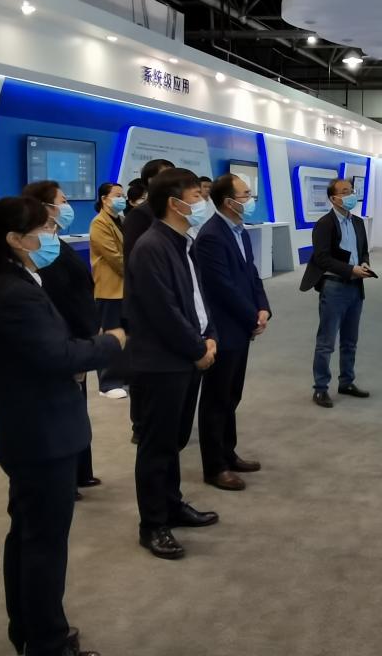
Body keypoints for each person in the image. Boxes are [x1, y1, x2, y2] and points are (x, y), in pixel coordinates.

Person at [0, 196, 123, 656]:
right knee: (43, 545)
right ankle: (47, 642)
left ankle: (30, 631)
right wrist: (110, 343)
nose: (54, 235)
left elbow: (39, 350)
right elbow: (57, 355)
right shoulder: (12, 291)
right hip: (40, 435)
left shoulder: (11, 280)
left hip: (32, 429)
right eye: (46, 228)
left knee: (29, 536)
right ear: (16, 238)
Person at [126, 168, 219, 559]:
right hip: (161, 363)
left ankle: (172, 504)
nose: (203, 202)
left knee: (173, 440)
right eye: (196, 196)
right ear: (174, 204)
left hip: (184, 357)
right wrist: (197, 349)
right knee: (156, 445)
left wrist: (209, 334)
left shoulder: (182, 241)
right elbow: (163, 311)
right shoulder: (151, 247)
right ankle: (153, 524)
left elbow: (196, 298)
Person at [22, 180, 102, 495]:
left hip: (78, 337)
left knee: (76, 410)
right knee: (62, 414)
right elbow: (58, 299)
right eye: (62, 200)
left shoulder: (56, 242)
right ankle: (67, 478)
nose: (67, 206)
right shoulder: (40, 252)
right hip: (64, 341)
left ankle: (81, 472)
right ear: (44, 207)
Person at [193, 175, 271, 491]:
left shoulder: (239, 231)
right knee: (216, 398)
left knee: (231, 395)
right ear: (229, 202)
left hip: (241, 326)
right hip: (224, 328)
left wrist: (263, 307)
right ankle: (215, 466)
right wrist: (252, 316)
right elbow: (221, 287)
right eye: (246, 195)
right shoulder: (211, 236)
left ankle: (228, 452)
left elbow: (251, 274)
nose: (251, 200)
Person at [299, 178, 376, 408]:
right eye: (344, 192)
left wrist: (364, 263)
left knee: (350, 340)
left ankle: (347, 382)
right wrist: (349, 270)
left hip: (355, 286)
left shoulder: (358, 222)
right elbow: (322, 258)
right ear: (333, 198)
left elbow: (363, 251)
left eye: (351, 190)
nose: (350, 195)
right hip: (334, 287)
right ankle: (320, 388)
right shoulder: (325, 224)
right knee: (327, 342)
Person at [122, 158, 174, 444]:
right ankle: (140, 426)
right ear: (150, 182)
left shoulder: (170, 212)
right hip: (144, 305)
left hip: (169, 300)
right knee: (144, 370)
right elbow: (135, 263)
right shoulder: (140, 216)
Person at [89, 182, 128, 399]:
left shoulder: (121, 220)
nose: (121, 199)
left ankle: (123, 376)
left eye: (123, 195)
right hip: (109, 288)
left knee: (126, 335)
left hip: (125, 288)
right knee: (110, 335)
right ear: (104, 199)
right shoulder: (99, 223)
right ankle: (107, 382)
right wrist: (136, 271)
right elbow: (114, 257)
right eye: (117, 195)